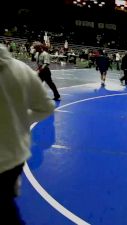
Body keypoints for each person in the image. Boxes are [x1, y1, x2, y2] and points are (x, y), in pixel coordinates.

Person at [0, 44, 55, 224]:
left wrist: (40, 70)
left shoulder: (43, 56)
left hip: (43, 72)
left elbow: (45, 64)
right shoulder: (20, 69)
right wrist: (19, 120)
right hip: (15, 155)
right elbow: (45, 107)